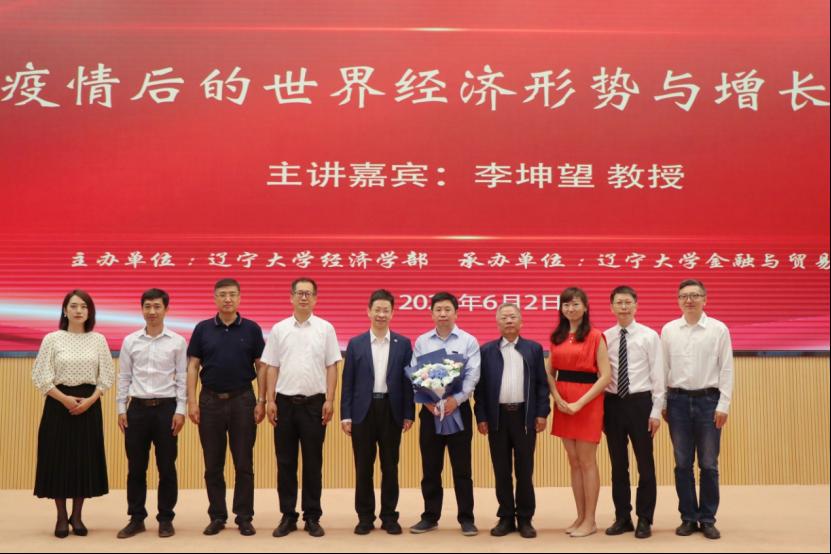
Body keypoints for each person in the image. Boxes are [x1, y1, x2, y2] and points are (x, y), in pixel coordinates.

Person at [186, 278, 266, 536]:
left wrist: (262, 400)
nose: (228, 299)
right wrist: (192, 401)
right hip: (209, 401)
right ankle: (217, 516)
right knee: (213, 464)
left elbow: (261, 366)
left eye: (232, 294)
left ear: (239, 297)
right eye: (222, 294)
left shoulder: (252, 329)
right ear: (215, 298)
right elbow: (193, 366)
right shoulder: (202, 329)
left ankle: (244, 516)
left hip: (243, 400)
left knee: (244, 463)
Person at [32, 290, 114, 538]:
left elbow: (106, 376)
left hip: (89, 405)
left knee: (83, 459)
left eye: (84, 307)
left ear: (90, 312)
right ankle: (60, 516)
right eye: (74, 306)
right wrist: (65, 399)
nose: (79, 311)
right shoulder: (52, 339)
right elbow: (40, 375)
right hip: (58, 404)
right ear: (65, 310)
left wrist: (91, 400)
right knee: (58, 458)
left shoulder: (98, 340)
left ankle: (77, 516)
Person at [263, 277, 341, 538]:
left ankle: (312, 516)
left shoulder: (325, 329)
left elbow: (332, 365)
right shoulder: (279, 329)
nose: (304, 297)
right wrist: (270, 400)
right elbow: (272, 366)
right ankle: (288, 515)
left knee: (313, 462)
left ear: (315, 298)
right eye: (299, 293)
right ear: (291, 297)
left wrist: (330, 399)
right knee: (285, 462)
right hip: (284, 404)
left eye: (309, 293)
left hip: (314, 404)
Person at [661, 279, 733, 540]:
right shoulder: (669, 330)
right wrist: (662, 403)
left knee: (708, 464)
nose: (689, 300)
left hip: (708, 402)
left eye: (694, 295)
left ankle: (708, 519)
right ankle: (689, 518)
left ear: (705, 299)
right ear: (678, 301)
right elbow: (663, 368)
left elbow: (726, 368)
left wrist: (723, 404)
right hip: (677, 401)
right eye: (684, 296)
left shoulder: (718, 329)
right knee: (682, 464)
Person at [340, 289, 415, 535]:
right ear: (368, 312)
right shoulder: (356, 343)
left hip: (391, 410)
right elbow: (348, 382)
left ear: (392, 313)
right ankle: (365, 517)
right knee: (363, 467)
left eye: (386, 310)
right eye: (377, 310)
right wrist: (346, 415)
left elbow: (407, 382)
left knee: (390, 466)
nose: (381, 314)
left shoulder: (403, 344)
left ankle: (389, 516)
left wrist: (409, 413)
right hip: (363, 411)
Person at [115, 288, 187, 539]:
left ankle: (165, 519)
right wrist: (121, 408)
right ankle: (136, 518)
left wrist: (181, 410)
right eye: (148, 306)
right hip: (137, 410)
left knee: (166, 467)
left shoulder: (177, 341)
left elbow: (182, 378)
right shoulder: (130, 341)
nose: (152, 311)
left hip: (166, 409)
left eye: (157, 306)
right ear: (142, 309)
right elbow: (124, 376)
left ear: (166, 309)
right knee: (136, 467)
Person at [474, 303, 550, 539]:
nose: (508, 321)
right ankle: (506, 516)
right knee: (502, 469)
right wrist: (481, 416)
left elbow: (542, 384)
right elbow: (480, 388)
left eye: (513, 317)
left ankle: (525, 518)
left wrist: (542, 413)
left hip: (525, 416)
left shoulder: (533, 349)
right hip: (497, 417)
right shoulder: (486, 351)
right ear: (497, 323)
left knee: (525, 470)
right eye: (504, 317)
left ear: (521, 322)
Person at [409, 292, 481, 537]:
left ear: (456, 313)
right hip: (430, 412)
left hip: (458, 410)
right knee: (430, 468)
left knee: (462, 469)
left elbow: (472, 375)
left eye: (447, 309)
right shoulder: (422, 341)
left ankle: (467, 518)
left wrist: (455, 400)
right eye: (438, 309)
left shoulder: (468, 341)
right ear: (431, 313)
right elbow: (415, 375)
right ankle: (430, 516)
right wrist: (429, 403)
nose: (442, 314)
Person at [547, 287, 611, 538]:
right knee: (573, 461)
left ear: (585, 307)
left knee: (586, 461)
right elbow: (549, 373)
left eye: (575, 304)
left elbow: (605, 376)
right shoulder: (557, 336)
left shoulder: (595, 336)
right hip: (563, 402)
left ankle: (591, 520)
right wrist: (557, 397)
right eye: (566, 304)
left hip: (587, 403)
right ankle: (580, 515)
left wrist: (579, 403)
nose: (570, 309)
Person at [602, 286, 665, 539]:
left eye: (628, 302)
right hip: (613, 404)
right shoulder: (605, 337)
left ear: (636, 306)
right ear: (612, 307)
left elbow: (658, 374)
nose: (624, 307)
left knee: (645, 464)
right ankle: (622, 517)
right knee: (618, 465)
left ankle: (645, 518)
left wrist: (656, 410)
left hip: (641, 403)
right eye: (619, 302)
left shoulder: (650, 336)